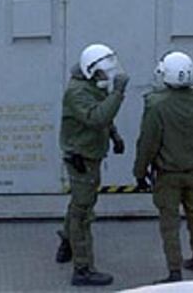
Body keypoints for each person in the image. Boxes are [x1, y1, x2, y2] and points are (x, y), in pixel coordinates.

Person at [133, 52, 193, 283]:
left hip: (168, 175)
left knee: (169, 223)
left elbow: (147, 143)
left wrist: (140, 173)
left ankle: (174, 271)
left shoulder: (156, 104)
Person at [57, 43, 129, 287]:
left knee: (79, 202)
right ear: (90, 71)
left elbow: (101, 113)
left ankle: (67, 242)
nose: (107, 77)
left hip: (89, 153)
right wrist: (118, 94)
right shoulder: (77, 93)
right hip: (82, 158)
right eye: (102, 72)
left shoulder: (90, 86)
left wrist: (115, 136)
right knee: (83, 212)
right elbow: (96, 117)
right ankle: (83, 269)